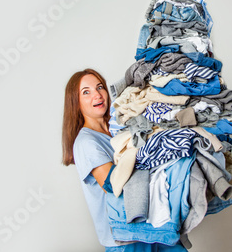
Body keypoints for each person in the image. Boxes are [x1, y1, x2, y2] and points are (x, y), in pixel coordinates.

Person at [62, 68, 188, 252]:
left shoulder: (119, 128)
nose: (97, 95)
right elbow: (113, 184)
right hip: (125, 239)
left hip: (154, 226)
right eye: (86, 92)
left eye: (99, 87)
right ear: (76, 102)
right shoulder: (86, 142)